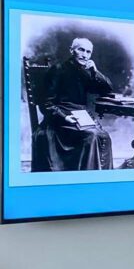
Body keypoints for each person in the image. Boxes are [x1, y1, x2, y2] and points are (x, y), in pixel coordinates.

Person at [31, 37, 114, 171]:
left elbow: (108, 89)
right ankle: (87, 178)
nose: (84, 55)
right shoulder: (57, 69)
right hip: (59, 120)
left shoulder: (86, 72)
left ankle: (101, 178)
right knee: (91, 136)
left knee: (104, 137)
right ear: (71, 50)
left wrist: (95, 71)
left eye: (88, 52)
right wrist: (64, 117)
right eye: (81, 50)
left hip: (81, 117)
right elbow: (46, 103)